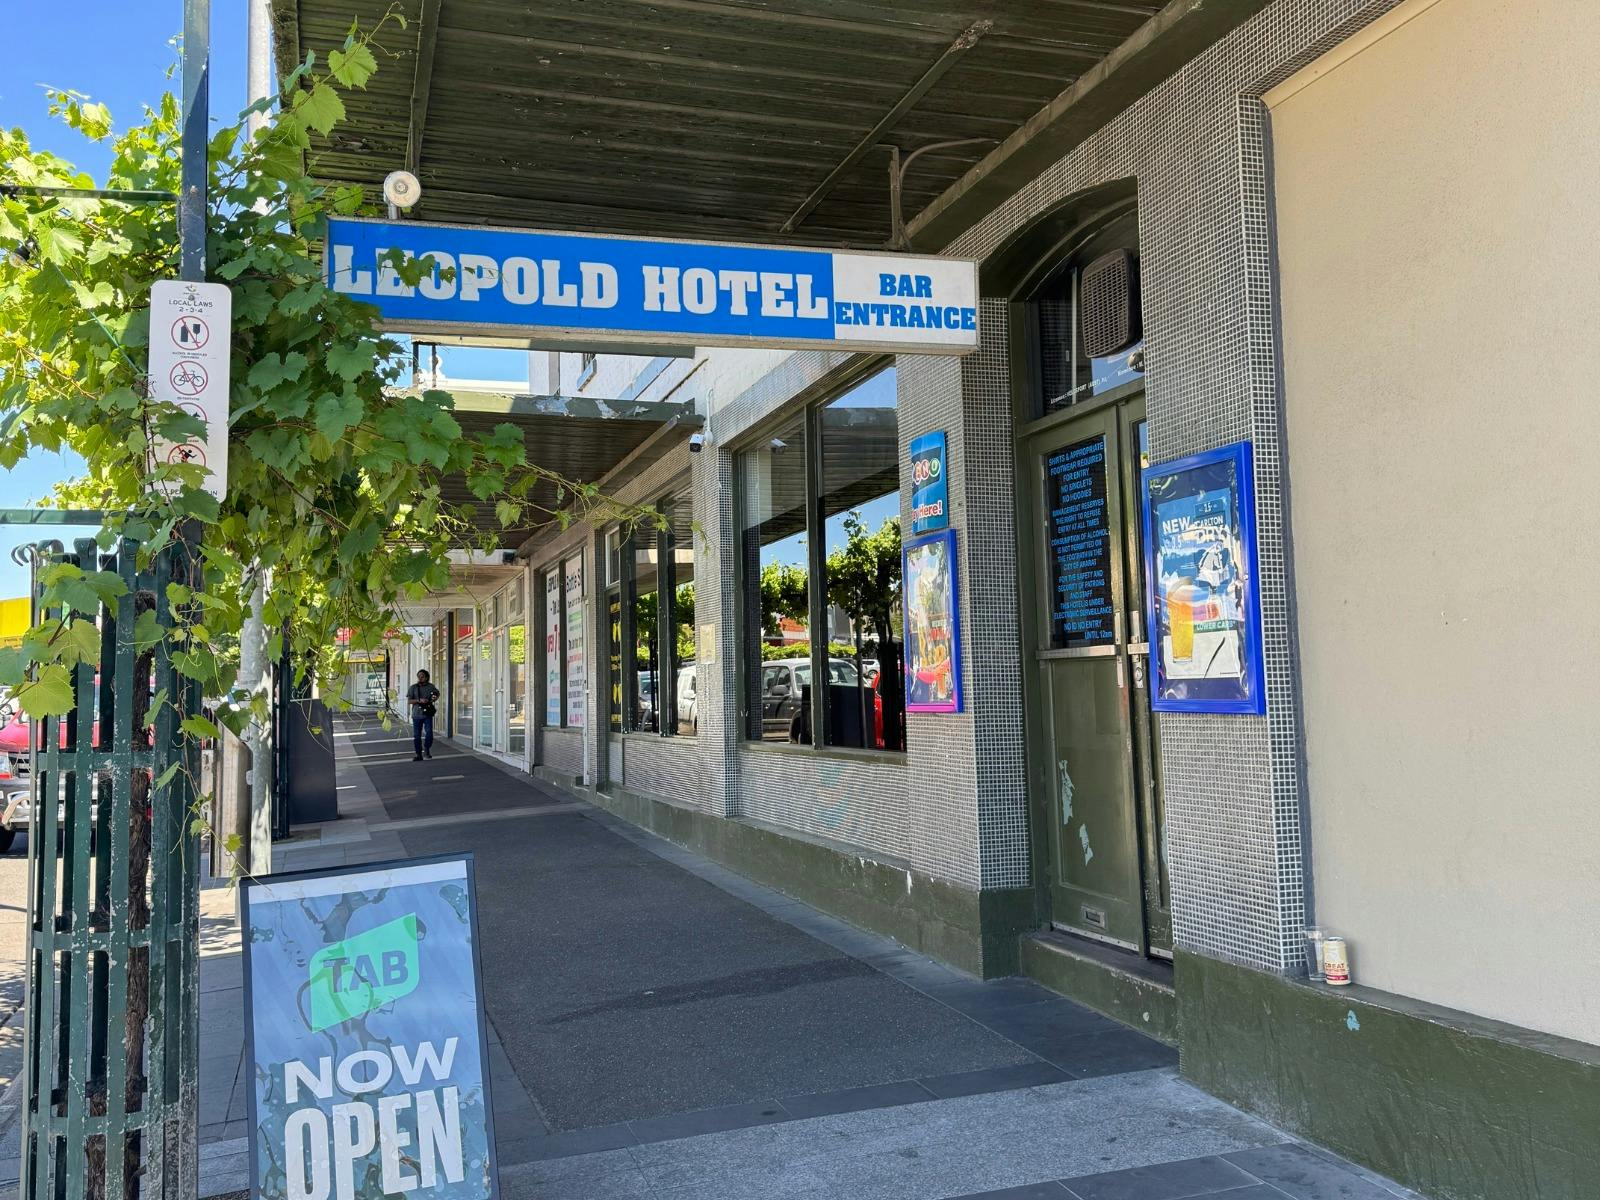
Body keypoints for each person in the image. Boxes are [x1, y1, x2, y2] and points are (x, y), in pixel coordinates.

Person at [407, 669, 440, 761]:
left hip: (427, 714)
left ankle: (427, 749)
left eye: (422, 676)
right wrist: (418, 700)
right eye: (419, 676)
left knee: (429, 733)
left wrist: (433, 698)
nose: (420, 678)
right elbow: (409, 701)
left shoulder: (431, 687)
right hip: (416, 715)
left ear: (427, 677)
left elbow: (436, 695)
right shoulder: (413, 687)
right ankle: (418, 754)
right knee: (417, 735)